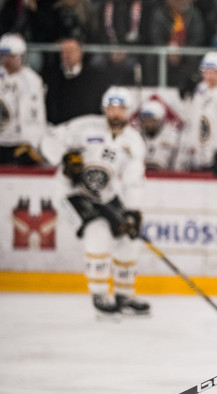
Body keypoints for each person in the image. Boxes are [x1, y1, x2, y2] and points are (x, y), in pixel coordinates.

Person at [40, 86, 150, 317]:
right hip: (71, 193)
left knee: (129, 237)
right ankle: (100, 294)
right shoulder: (85, 126)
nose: (116, 113)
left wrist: (132, 210)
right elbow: (48, 138)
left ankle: (124, 295)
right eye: (111, 108)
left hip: (106, 195)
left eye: (121, 109)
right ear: (105, 109)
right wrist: (65, 157)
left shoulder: (133, 141)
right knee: (98, 231)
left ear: (128, 112)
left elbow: (133, 181)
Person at [178, 51, 217, 178]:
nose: (210, 76)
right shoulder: (199, 89)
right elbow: (187, 118)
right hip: (196, 154)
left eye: (214, 72)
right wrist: (184, 98)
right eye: (207, 72)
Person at [0, 33, 46, 166]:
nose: (7, 60)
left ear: (22, 56)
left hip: (19, 144)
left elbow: (34, 116)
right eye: (4, 56)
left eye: (12, 56)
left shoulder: (31, 80)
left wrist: (32, 143)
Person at [43, 38, 108, 125]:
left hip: (87, 128)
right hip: (60, 129)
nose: (66, 55)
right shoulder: (53, 77)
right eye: (64, 52)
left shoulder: (95, 77)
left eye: (70, 51)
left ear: (80, 53)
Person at [139, 99, 180, 170]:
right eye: (145, 120)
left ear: (160, 120)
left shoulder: (173, 137)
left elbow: (179, 165)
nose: (148, 124)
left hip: (167, 177)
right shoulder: (136, 137)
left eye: (152, 120)